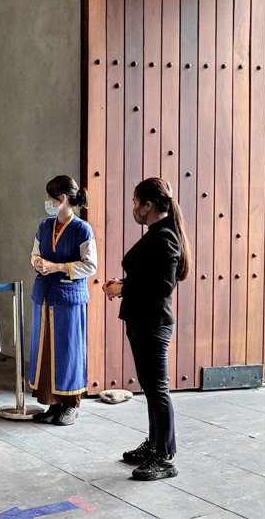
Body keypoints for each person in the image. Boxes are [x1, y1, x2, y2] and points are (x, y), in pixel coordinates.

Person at [103, 177, 191, 481]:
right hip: (142, 320)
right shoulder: (158, 233)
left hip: (154, 323)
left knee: (157, 389)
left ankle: (164, 457)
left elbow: (163, 286)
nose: (133, 208)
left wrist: (125, 287)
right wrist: (124, 284)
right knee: (152, 388)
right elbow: (149, 276)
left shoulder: (165, 237)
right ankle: (154, 444)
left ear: (148, 205)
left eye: (135, 202)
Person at [29, 175, 97, 426]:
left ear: (63, 199)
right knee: (46, 350)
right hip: (44, 296)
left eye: (50, 197)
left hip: (69, 298)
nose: (47, 201)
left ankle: (71, 405)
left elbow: (90, 266)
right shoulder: (45, 225)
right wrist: (38, 263)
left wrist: (57, 267)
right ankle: (52, 404)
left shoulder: (82, 229)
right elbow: (35, 254)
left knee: (69, 349)